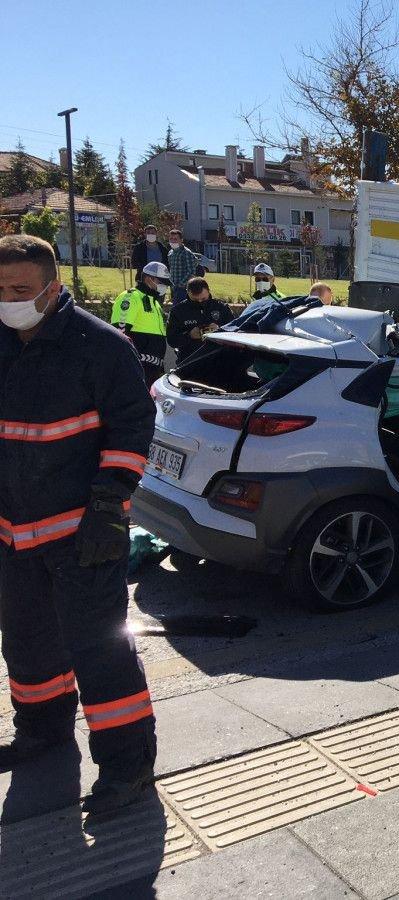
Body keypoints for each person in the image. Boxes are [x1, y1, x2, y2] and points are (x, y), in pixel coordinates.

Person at [0, 234, 157, 815]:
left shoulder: (100, 346)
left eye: (18, 290)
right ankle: (42, 733)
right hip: (14, 535)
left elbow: (134, 427)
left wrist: (110, 502)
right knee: (27, 644)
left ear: (51, 288)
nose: (7, 301)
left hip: (82, 534)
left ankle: (128, 767)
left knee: (101, 654)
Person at [111, 261, 169, 384]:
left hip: (153, 368)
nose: (165, 287)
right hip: (135, 368)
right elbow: (120, 331)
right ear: (149, 279)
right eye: (162, 282)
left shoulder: (155, 302)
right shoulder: (130, 297)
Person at [167, 277, 234, 361]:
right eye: (195, 300)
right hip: (189, 362)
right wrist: (189, 335)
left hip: (218, 360)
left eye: (203, 299)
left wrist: (219, 330)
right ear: (188, 292)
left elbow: (235, 331)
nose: (200, 302)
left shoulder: (221, 307)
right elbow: (171, 340)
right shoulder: (178, 311)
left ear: (209, 291)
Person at [166, 229, 199, 302]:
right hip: (173, 287)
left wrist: (180, 285)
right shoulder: (170, 253)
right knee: (175, 310)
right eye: (171, 238)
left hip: (183, 288)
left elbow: (191, 272)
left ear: (181, 240)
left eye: (175, 239)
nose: (173, 241)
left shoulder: (187, 253)